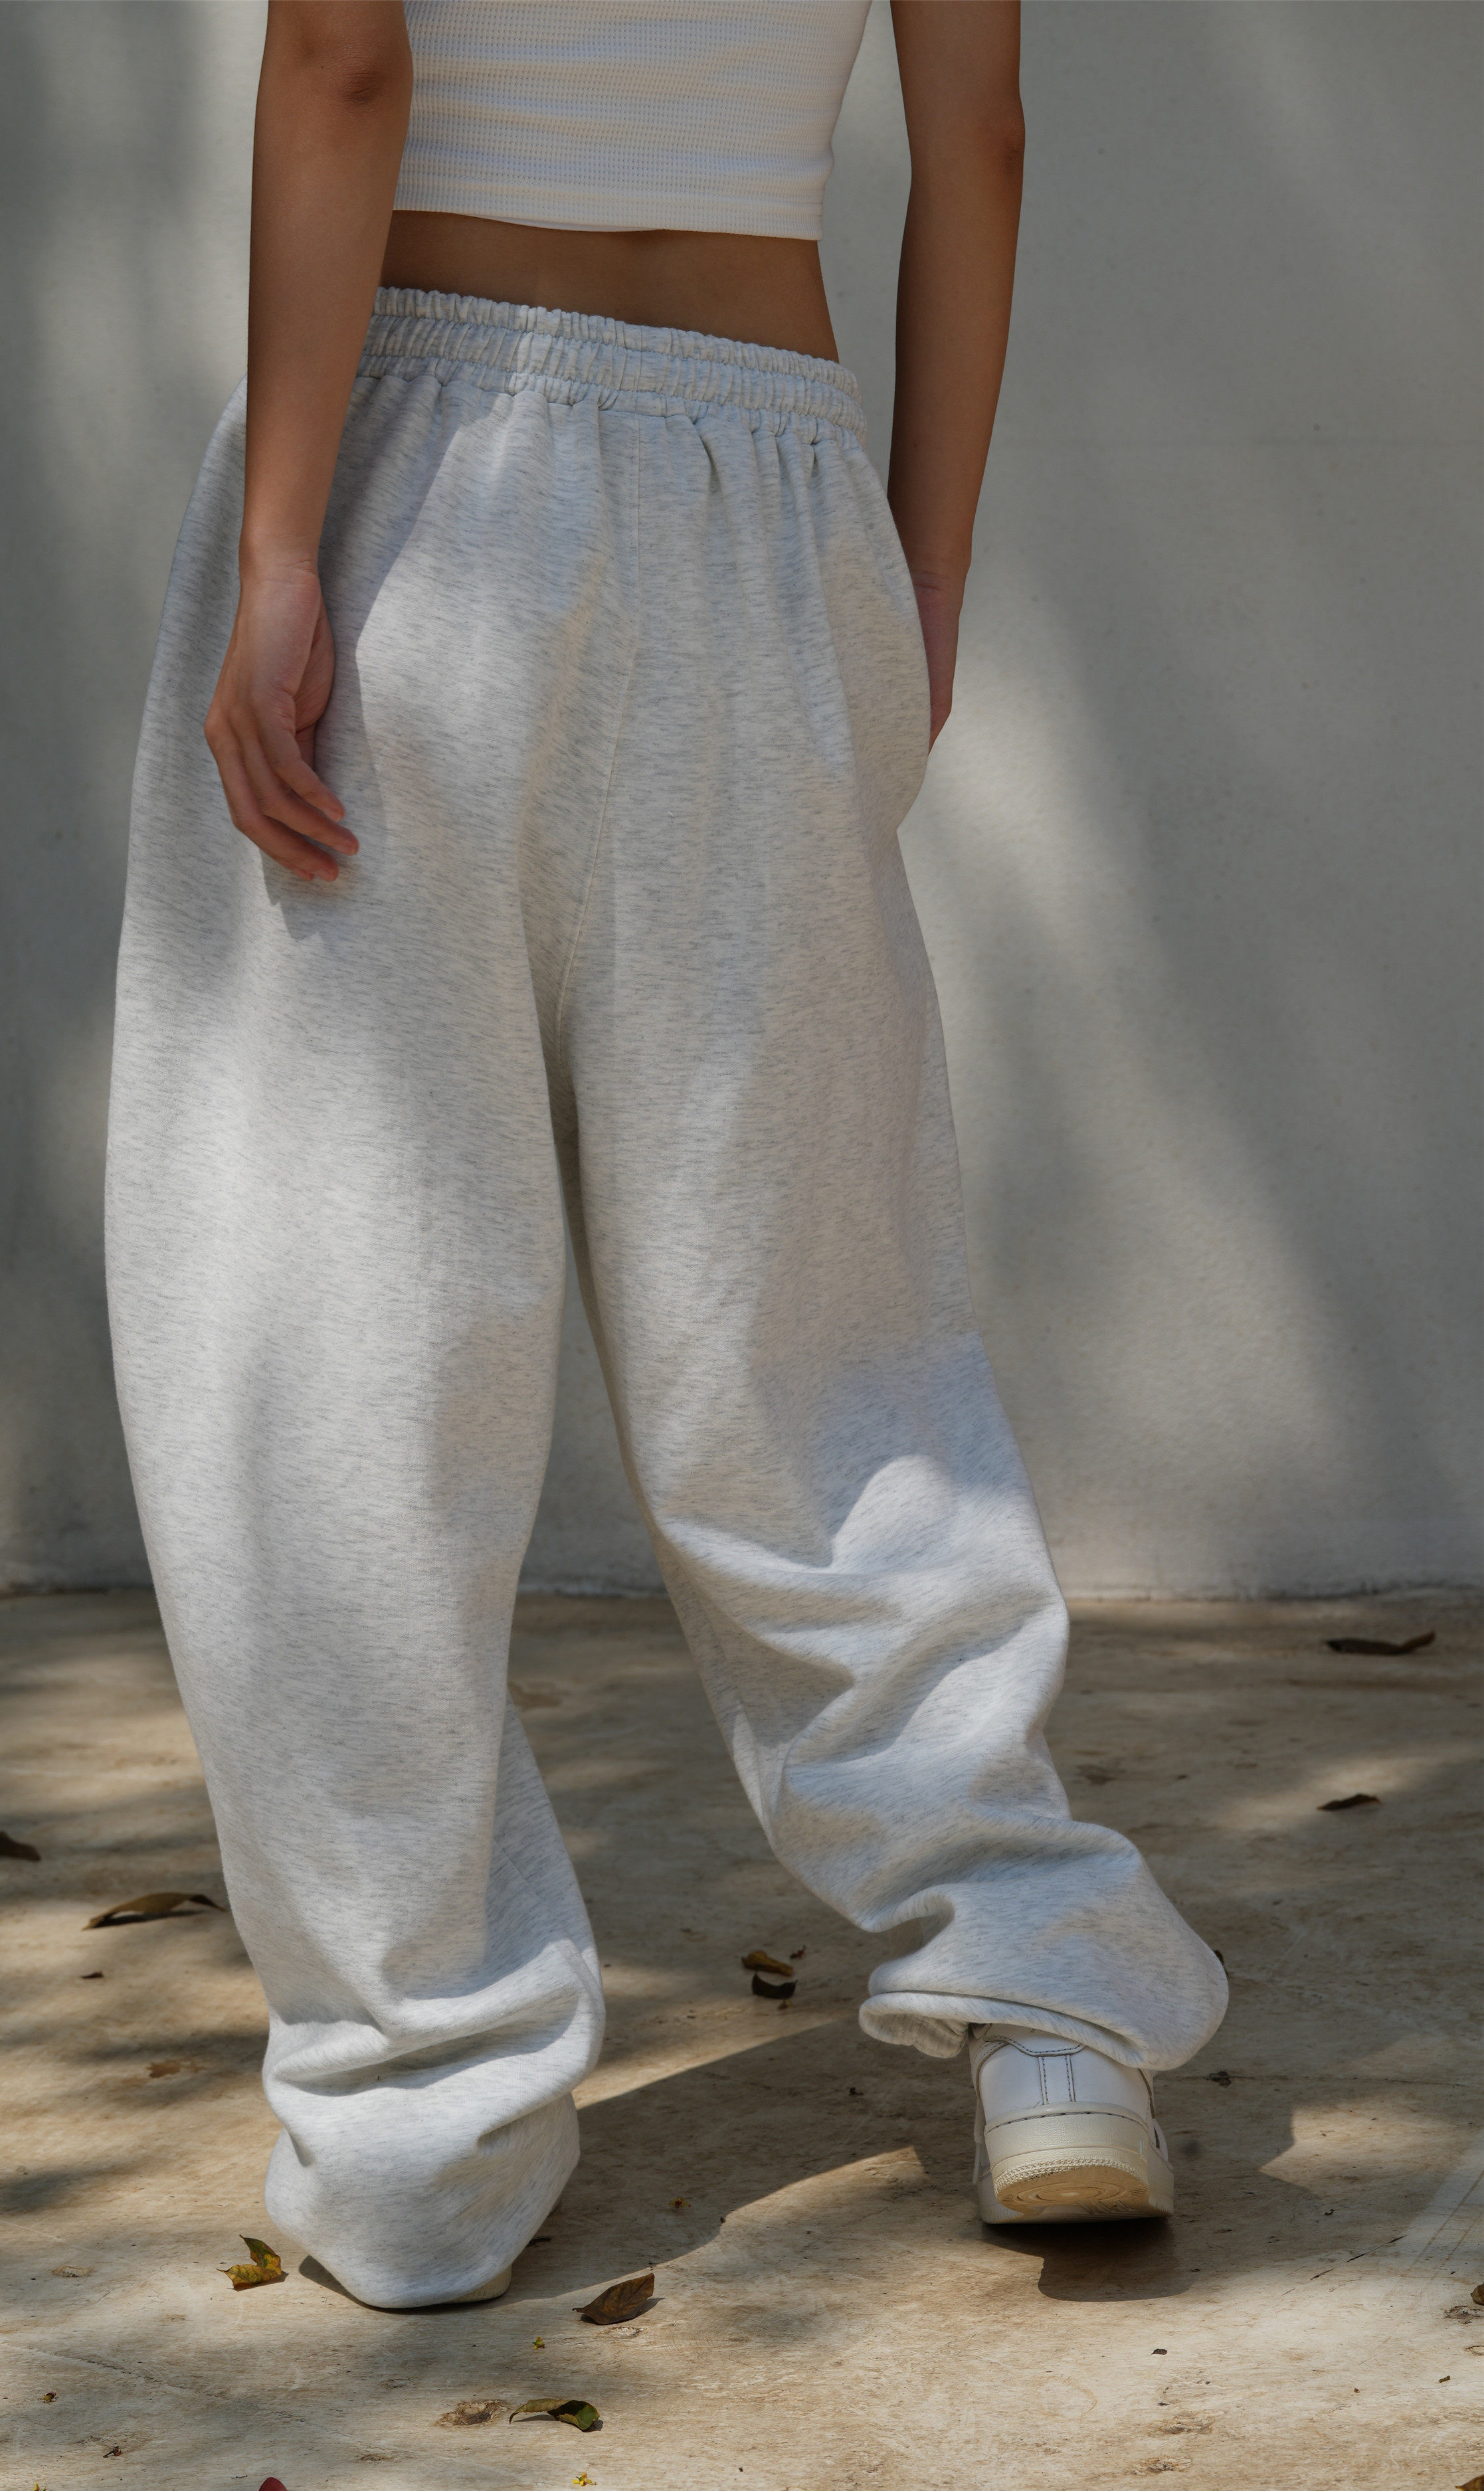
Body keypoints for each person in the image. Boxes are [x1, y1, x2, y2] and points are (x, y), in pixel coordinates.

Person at [105, 0, 1227, 2312]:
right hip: (766, 481)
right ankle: (1046, 1993)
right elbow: (977, 132)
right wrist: (920, 573)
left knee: (333, 1326)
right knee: (807, 1313)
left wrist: (287, 545)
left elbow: (342, 57)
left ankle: (418, 2118)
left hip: (418, 477)